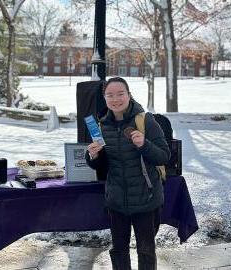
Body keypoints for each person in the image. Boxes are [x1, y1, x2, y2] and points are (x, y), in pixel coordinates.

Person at [86, 77, 170, 269]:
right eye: (110, 95)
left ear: (129, 95)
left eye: (120, 94)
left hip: (145, 198)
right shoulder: (100, 126)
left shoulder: (145, 120)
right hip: (117, 201)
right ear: (105, 98)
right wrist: (93, 155)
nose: (115, 99)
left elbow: (164, 156)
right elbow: (102, 166)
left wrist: (144, 144)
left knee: (146, 251)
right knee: (118, 250)